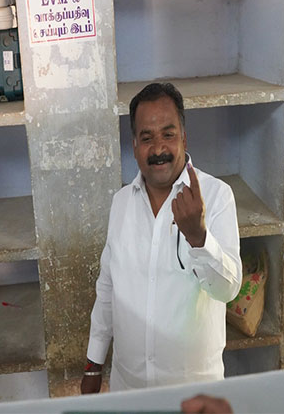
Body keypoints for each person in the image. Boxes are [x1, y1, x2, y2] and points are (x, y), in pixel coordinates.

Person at [81, 82, 242, 393]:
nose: (158, 149)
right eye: (147, 138)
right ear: (134, 145)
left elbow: (228, 290)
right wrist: (93, 363)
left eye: (168, 134)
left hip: (194, 392)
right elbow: (107, 288)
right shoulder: (121, 203)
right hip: (128, 389)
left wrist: (199, 238)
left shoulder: (216, 196)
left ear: (183, 136)